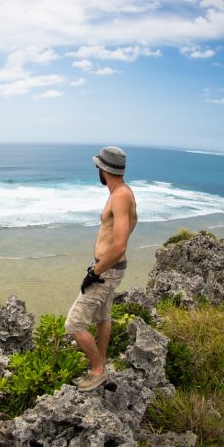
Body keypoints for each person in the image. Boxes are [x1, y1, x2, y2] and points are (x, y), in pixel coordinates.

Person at [65, 146, 138, 392]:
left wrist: (95, 272)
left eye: (98, 166)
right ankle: (102, 364)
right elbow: (130, 226)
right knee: (102, 316)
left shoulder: (120, 196)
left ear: (104, 169)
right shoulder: (123, 192)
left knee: (74, 324)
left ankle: (97, 371)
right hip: (111, 267)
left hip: (106, 270)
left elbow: (119, 245)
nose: (96, 170)